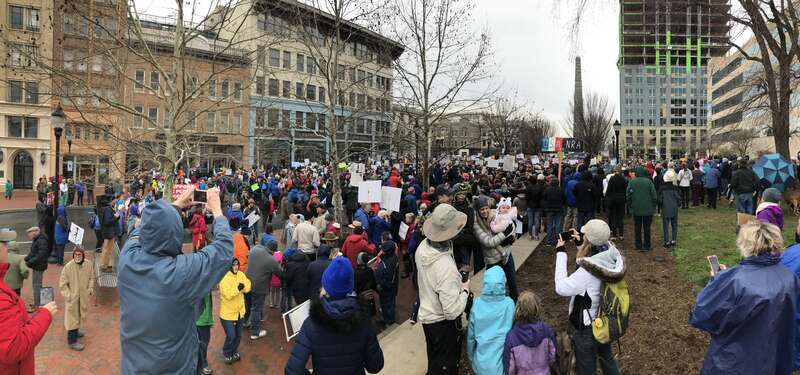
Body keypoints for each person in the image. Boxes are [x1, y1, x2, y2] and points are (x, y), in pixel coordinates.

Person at [118, 187, 233, 375]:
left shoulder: (127, 259)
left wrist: (173, 208)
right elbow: (223, 252)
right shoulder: (180, 273)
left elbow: (138, 232)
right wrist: (217, 211)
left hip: (133, 368)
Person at [691, 221, 799, 375]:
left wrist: (716, 282)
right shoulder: (790, 277)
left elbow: (702, 316)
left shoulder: (734, 280)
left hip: (734, 364)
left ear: (744, 244)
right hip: (775, 359)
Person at [285, 257, 384, 375]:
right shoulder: (364, 321)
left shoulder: (311, 324)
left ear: (325, 285)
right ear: (350, 285)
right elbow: (375, 366)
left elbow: (292, 370)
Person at [554, 219, 623, 375]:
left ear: (589, 240)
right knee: (607, 358)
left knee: (586, 368)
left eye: (584, 235)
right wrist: (581, 243)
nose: (582, 235)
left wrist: (560, 253)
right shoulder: (611, 255)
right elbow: (593, 257)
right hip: (604, 318)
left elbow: (561, 288)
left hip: (587, 328)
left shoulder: (588, 272)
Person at [416, 204, 472, 375]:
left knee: (434, 363)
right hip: (443, 324)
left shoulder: (422, 248)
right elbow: (451, 311)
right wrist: (464, 291)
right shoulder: (444, 267)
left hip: (428, 317)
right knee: (446, 367)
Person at [0, 228, 57, 375]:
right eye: (4, 243)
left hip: (33, 271)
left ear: (34, 233)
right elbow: (13, 348)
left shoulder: (40, 241)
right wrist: (44, 315)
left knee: (36, 287)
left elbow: (38, 255)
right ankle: (38, 304)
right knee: (36, 287)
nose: (6, 248)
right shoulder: (4, 301)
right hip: (13, 369)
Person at [466, 266, 514, 375]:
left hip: (481, 364)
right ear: (503, 283)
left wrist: (471, 358)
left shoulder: (477, 305)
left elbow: (471, 337)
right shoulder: (509, 304)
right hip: (503, 363)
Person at [473, 196, 519, 301]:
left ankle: (516, 309)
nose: (485, 211)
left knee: (513, 284)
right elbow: (488, 242)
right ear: (478, 211)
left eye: (486, 208)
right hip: (492, 260)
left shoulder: (496, 214)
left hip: (506, 255)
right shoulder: (476, 225)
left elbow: (509, 223)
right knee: (493, 289)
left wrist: (511, 236)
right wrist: (504, 235)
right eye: (482, 209)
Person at [503, 291, 556, 375]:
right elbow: (552, 355)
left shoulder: (511, 337)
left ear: (518, 309)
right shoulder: (546, 330)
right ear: (537, 307)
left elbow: (510, 369)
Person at [58, 248, 95, 351]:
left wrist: (90, 289)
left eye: (79, 255)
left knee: (79, 315)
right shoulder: (68, 267)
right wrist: (69, 296)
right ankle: (72, 341)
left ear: (83, 255)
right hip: (72, 298)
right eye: (76, 255)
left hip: (83, 297)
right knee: (72, 319)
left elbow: (91, 278)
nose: (77, 257)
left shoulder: (89, 265)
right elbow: (62, 284)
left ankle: (76, 332)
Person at [245, 241, 282, 340]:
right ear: (274, 251)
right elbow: (280, 274)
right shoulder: (271, 260)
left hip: (247, 283)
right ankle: (255, 332)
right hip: (259, 288)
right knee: (256, 309)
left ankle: (245, 322)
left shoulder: (254, 249)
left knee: (248, 305)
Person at [218, 258, 251, 364]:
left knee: (238, 335)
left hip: (240, 312)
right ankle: (227, 352)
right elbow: (227, 295)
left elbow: (248, 286)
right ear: (230, 266)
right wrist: (238, 289)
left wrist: (242, 287)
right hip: (227, 314)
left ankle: (234, 351)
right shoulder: (224, 278)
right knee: (231, 335)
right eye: (233, 265)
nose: (236, 267)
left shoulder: (241, 274)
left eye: (237, 265)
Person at [627, 166, 657, 252]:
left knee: (637, 228)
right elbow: (654, 195)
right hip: (648, 209)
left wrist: (630, 205)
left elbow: (628, 195)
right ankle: (647, 245)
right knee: (647, 228)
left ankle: (638, 245)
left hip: (636, 209)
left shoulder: (632, 182)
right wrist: (653, 205)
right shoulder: (649, 182)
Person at [375, 241, 400, 325]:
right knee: (386, 305)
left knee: (388, 305)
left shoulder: (388, 263)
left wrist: (380, 284)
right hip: (390, 287)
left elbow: (388, 279)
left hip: (387, 288)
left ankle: (389, 322)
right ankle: (386, 319)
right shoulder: (393, 258)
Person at [24, 227, 49, 309]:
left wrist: (29, 262)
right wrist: (26, 258)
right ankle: (38, 302)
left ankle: (37, 304)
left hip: (39, 266)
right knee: (37, 285)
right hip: (37, 265)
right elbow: (33, 252)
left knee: (36, 285)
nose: (29, 236)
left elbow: (40, 255)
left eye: (29, 234)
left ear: (34, 232)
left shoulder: (41, 241)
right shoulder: (37, 240)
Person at [658, 170, 681, 247]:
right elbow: (678, 198)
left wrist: (661, 206)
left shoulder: (662, 188)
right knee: (674, 225)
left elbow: (660, 199)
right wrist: (678, 204)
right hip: (674, 209)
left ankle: (667, 241)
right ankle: (674, 240)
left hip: (665, 209)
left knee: (665, 226)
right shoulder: (675, 188)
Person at [605, 166, 628, 240]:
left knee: (613, 217)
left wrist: (607, 199)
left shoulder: (612, 179)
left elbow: (608, 190)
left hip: (613, 200)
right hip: (621, 200)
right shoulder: (623, 179)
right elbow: (625, 190)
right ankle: (621, 235)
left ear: (614, 171)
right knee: (620, 217)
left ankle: (614, 235)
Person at [542, 178, 566, 246]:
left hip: (549, 209)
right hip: (559, 209)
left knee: (549, 225)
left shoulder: (547, 190)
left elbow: (544, 198)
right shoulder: (561, 190)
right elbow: (564, 199)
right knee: (558, 226)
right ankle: (558, 241)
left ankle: (549, 241)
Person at [99, 198, 119, 272]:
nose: (115, 201)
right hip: (109, 233)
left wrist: (116, 216)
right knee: (107, 250)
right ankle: (104, 266)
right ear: (111, 201)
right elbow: (107, 221)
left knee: (107, 250)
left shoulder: (106, 209)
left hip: (108, 232)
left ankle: (105, 264)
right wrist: (115, 217)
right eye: (114, 200)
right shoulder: (107, 209)